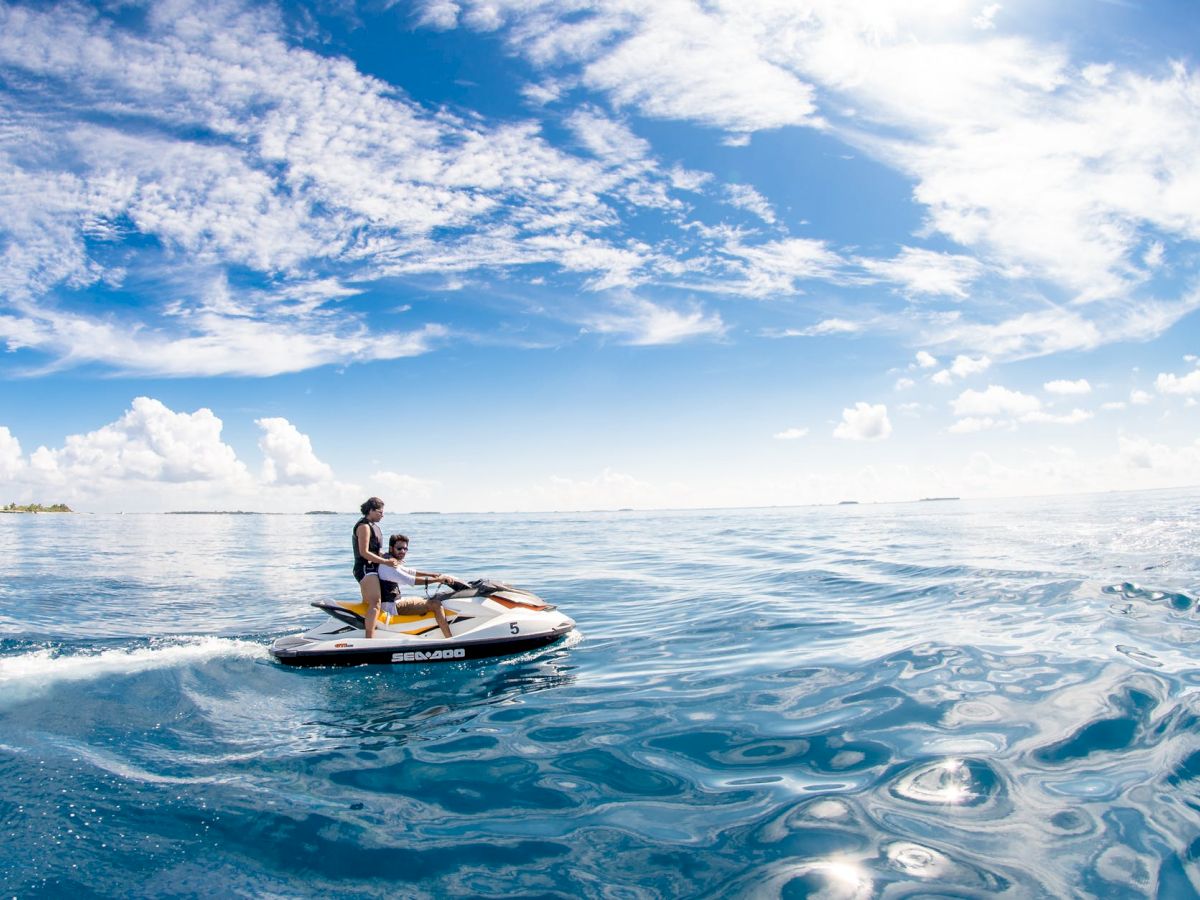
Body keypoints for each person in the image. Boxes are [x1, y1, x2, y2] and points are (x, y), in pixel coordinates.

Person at [379, 533, 459, 638]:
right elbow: (411, 580)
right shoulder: (388, 566)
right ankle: (449, 639)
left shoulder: (390, 561)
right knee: (436, 604)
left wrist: (432, 574)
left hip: (394, 602)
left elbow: (409, 571)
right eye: (399, 548)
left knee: (426, 599)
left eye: (405, 549)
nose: (402, 551)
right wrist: (437, 580)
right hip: (392, 606)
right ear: (391, 548)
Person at [352, 496, 398, 639]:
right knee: (375, 602)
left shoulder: (374, 527)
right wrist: (385, 563)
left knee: (369, 603)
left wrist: (391, 558)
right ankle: (369, 638)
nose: (382, 515)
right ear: (370, 510)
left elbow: (376, 551)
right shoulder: (364, 526)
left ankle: (368, 629)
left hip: (372, 569)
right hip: (365, 569)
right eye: (379, 512)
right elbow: (364, 552)